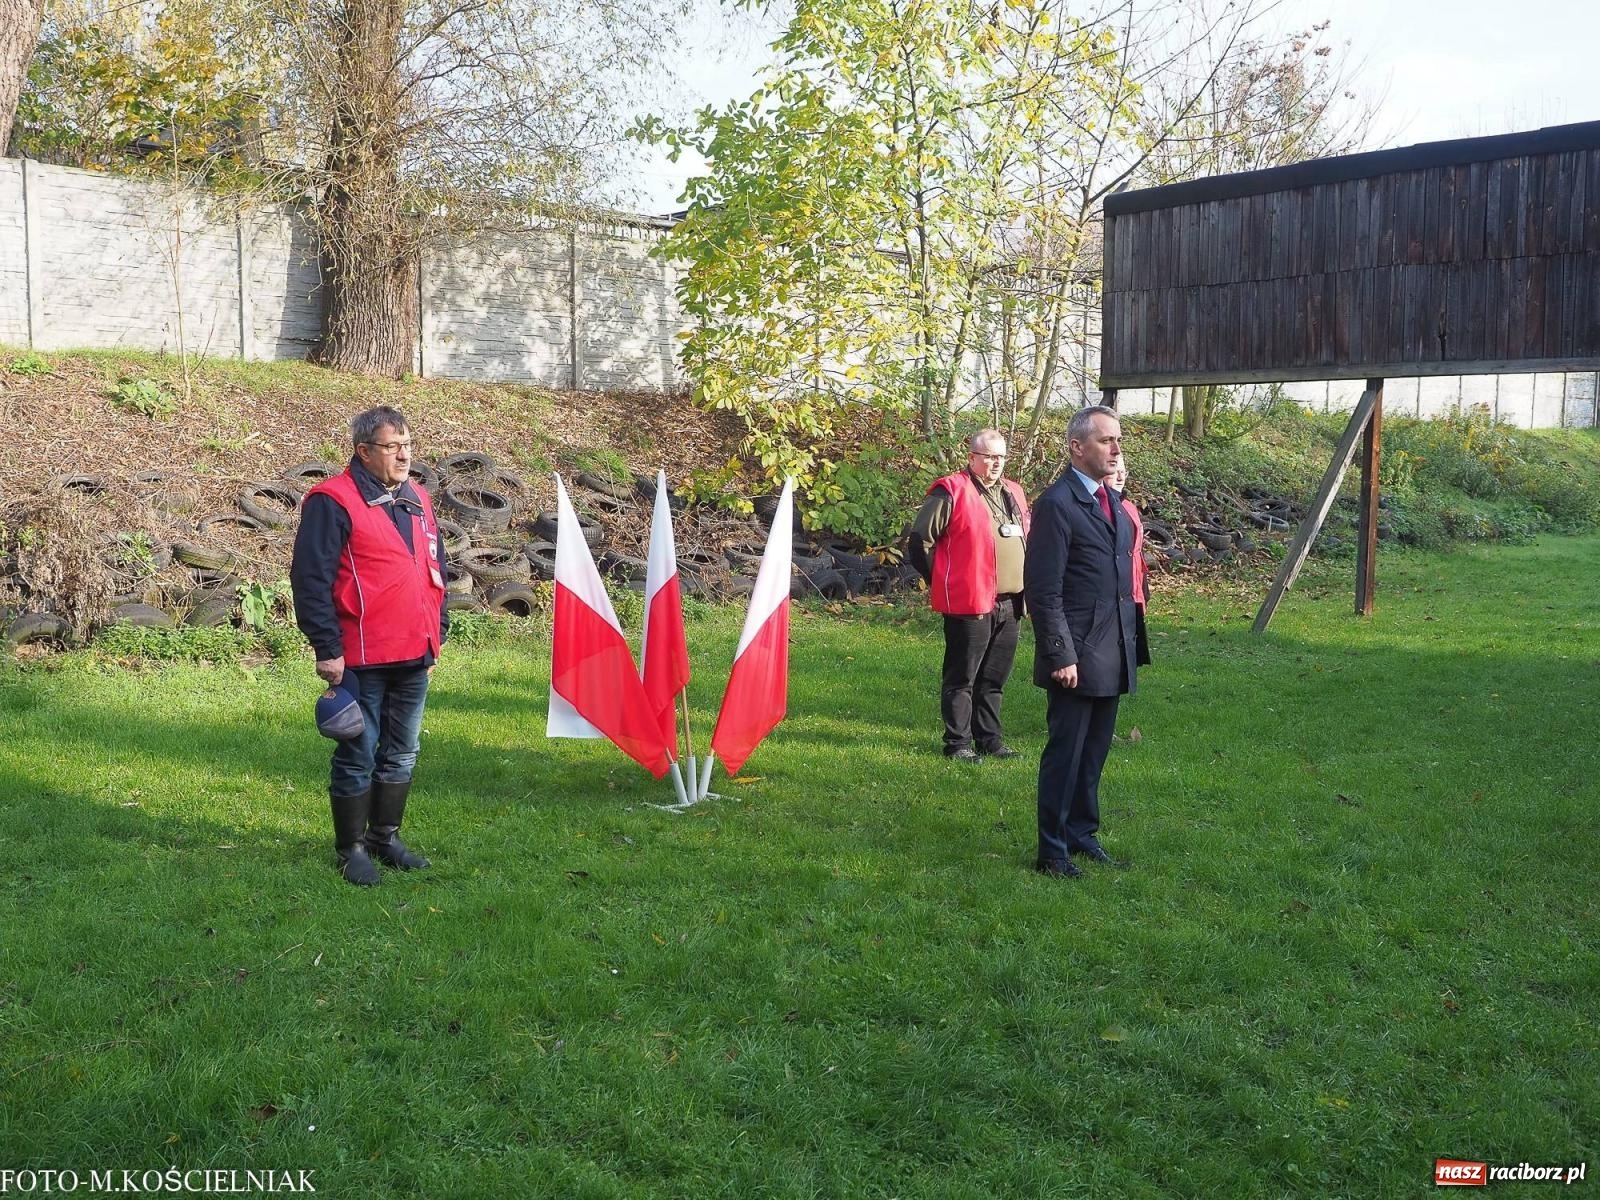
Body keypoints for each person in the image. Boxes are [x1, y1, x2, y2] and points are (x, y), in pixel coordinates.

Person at [290, 406, 449, 886]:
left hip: (413, 651)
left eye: (407, 445)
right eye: (391, 446)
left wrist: (436, 630)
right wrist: (326, 647)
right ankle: (352, 849)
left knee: (402, 752)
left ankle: (386, 837)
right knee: (358, 754)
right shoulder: (331, 501)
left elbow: (434, 566)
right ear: (363, 451)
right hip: (361, 654)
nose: (404, 456)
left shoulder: (417, 497)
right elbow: (310, 578)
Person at [1024, 405, 1138, 877]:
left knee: (1094, 752)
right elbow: (1043, 589)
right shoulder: (1056, 504)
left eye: (1117, 441)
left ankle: (1082, 832)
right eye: (1105, 441)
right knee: (1066, 754)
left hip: (1112, 647)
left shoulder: (1112, 500)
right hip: (1075, 651)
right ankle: (1052, 850)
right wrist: (1059, 653)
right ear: (1077, 447)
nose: (1115, 449)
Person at [907, 428, 1030, 763]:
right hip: (970, 601)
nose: (995, 463)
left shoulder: (1013, 492)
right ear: (972, 456)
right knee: (962, 677)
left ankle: (990, 740)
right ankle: (957, 744)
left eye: (1001, 457)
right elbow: (919, 542)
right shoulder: (951, 491)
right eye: (988, 456)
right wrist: (943, 579)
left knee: (994, 678)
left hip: (1010, 602)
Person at [1106, 455, 1152, 668]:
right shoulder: (1097, 509)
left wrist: (1142, 593)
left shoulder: (1129, 507)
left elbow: (1136, 555)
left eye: (1124, 471)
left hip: (1132, 594)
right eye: (1115, 470)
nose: (1121, 476)